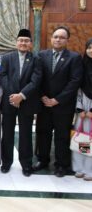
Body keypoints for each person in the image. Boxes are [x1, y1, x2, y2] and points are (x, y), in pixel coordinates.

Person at [34, 26, 83, 177]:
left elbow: (74, 82)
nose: (58, 39)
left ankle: (62, 165)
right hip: (44, 104)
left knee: (62, 136)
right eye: (55, 36)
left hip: (63, 106)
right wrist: (42, 96)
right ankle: (42, 160)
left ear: (67, 40)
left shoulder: (74, 58)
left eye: (62, 37)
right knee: (43, 134)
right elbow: (37, 79)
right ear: (51, 38)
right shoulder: (42, 55)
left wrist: (57, 100)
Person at [0, 29, 42, 176]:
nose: (23, 43)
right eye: (20, 40)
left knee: (25, 135)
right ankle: (6, 162)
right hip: (9, 102)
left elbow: (36, 80)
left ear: (30, 43)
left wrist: (22, 95)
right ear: (16, 42)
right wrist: (14, 96)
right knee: (7, 134)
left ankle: (26, 164)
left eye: (26, 41)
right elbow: (3, 76)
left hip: (27, 102)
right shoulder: (7, 58)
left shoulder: (36, 58)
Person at [72, 38, 92, 181]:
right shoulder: (81, 65)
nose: (91, 50)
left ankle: (89, 170)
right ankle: (79, 168)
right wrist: (80, 109)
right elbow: (77, 87)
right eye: (89, 47)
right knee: (81, 138)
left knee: (90, 139)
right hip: (82, 108)